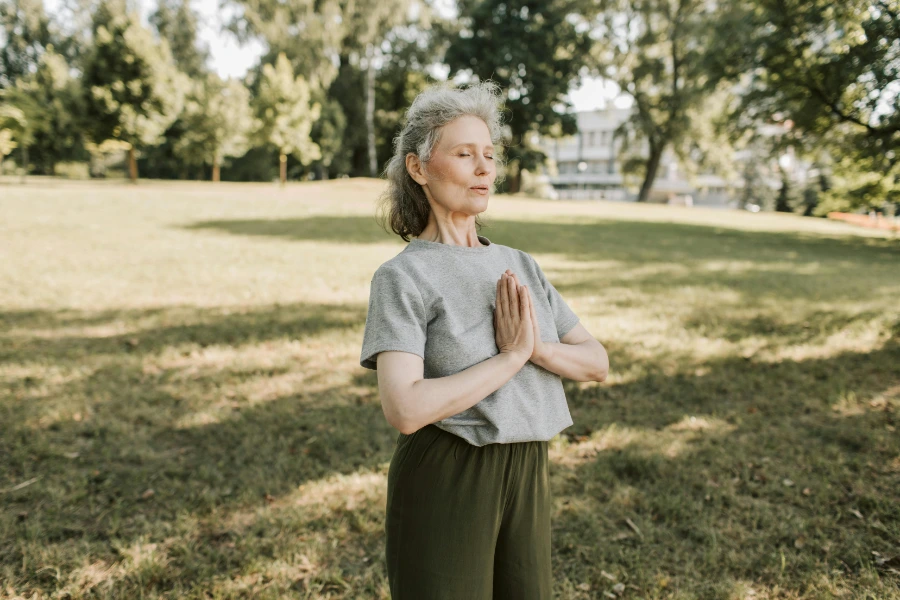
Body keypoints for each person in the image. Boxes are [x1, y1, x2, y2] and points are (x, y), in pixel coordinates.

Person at [359, 81, 609, 600]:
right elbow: (405, 408)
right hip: (449, 470)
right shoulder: (403, 277)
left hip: (529, 467)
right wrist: (513, 356)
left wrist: (537, 349)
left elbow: (596, 361)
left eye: (489, 155)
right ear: (419, 168)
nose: (484, 168)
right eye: (465, 153)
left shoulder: (520, 264)